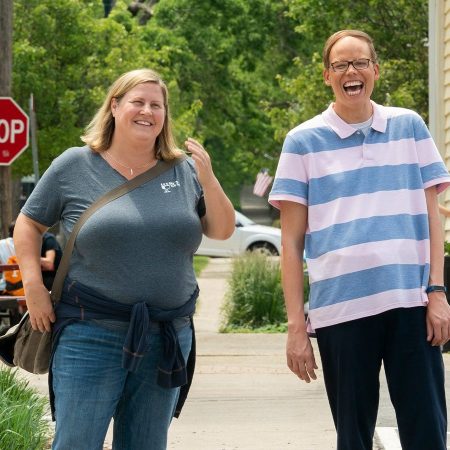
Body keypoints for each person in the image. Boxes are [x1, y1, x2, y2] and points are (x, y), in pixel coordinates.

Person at [13, 68, 235, 450]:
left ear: (165, 114)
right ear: (115, 106)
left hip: (167, 336)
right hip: (90, 334)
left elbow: (222, 230)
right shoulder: (74, 165)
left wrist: (209, 177)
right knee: (77, 443)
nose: (147, 111)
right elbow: (28, 223)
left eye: (156, 105)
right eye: (137, 102)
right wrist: (33, 287)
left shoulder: (183, 170)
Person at [269, 30, 450, 450]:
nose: (352, 71)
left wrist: (437, 292)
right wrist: (297, 327)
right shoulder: (302, 142)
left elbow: (431, 219)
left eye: (360, 63)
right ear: (326, 76)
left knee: (427, 434)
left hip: (411, 305)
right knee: (353, 438)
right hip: (342, 312)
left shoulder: (409, 127)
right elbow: (291, 246)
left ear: (375, 70)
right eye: (340, 65)